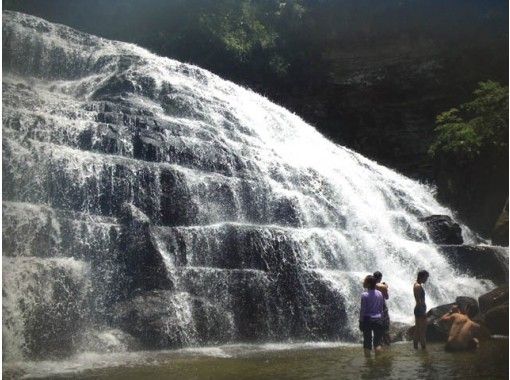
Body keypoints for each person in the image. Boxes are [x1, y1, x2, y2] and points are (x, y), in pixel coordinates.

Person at [360, 275, 385, 356]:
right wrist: (382, 320)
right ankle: (378, 363)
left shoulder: (364, 295)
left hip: (367, 320)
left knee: (367, 343)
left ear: (369, 284)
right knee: (377, 343)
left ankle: (368, 364)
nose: (363, 282)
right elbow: (381, 309)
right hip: (378, 320)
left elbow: (363, 310)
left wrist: (361, 322)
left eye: (365, 281)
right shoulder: (380, 294)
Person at [413, 270, 429, 349]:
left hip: (419, 309)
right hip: (420, 310)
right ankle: (424, 350)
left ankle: (415, 348)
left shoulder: (416, 285)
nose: (426, 279)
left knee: (417, 330)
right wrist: (423, 312)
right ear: (422, 277)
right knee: (422, 331)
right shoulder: (418, 286)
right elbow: (418, 301)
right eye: (426, 277)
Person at [373, 271, 391, 345]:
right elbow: (387, 297)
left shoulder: (369, 285)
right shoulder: (382, 287)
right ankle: (387, 345)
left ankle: (378, 344)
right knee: (385, 328)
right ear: (380, 278)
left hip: (373, 308)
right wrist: (386, 286)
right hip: (382, 308)